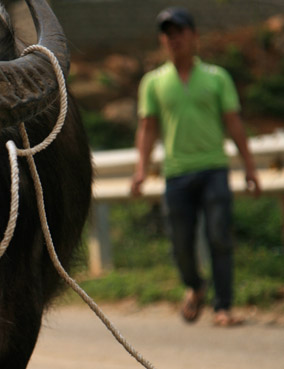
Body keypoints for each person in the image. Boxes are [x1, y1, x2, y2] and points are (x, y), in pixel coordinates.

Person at [131, 7, 261, 326]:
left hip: (214, 169)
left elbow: (234, 123)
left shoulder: (217, 78)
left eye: (180, 33)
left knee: (219, 237)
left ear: (194, 36)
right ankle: (195, 286)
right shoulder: (153, 82)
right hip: (176, 174)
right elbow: (147, 128)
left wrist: (250, 167)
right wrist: (140, 171)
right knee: (180, 244)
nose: (174, 39)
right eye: (168, 34)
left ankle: (223, 306)